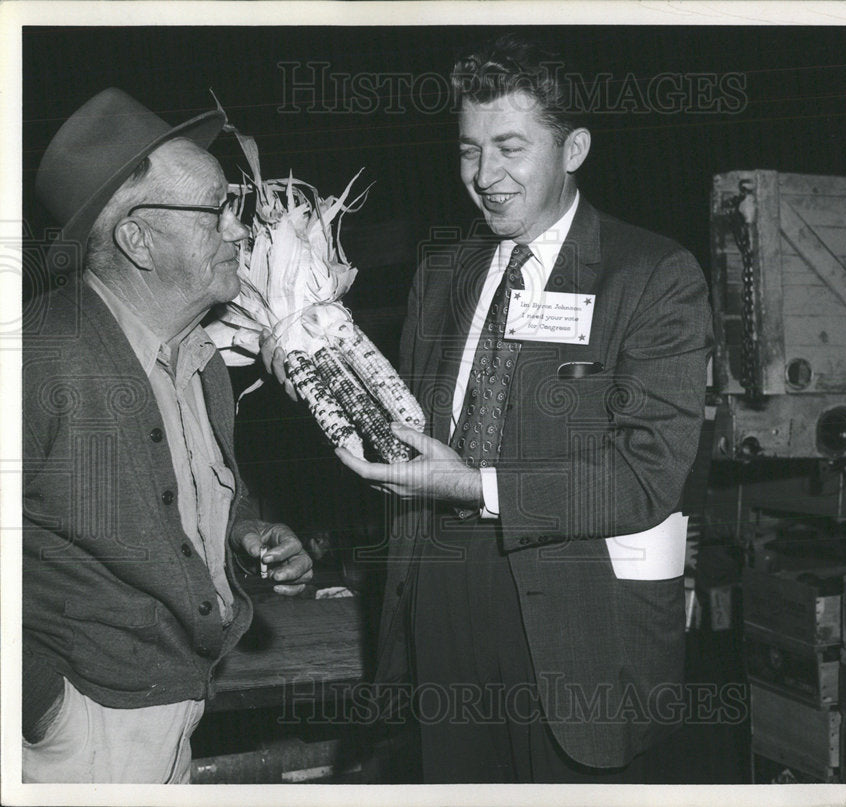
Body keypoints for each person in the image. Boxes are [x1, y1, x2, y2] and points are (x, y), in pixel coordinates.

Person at [264, 34, 712, 783]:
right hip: (439, 602)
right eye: (469, 150)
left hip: (576, 625)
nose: (485, 177)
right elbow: (403, 439)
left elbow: (645, 477)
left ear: (574, 148)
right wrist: (314, 366)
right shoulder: (441, 274)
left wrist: (480, 487)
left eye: (510, 147)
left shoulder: (652, 275)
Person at [23, 88, 313, 784]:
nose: (240, 230)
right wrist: (43, 706)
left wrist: (245, 538)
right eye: (216, 210)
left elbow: (190, 510)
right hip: (82, 736)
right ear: (137, 239)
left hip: (177, 715)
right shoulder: (35, 356)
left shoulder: (202, 358)